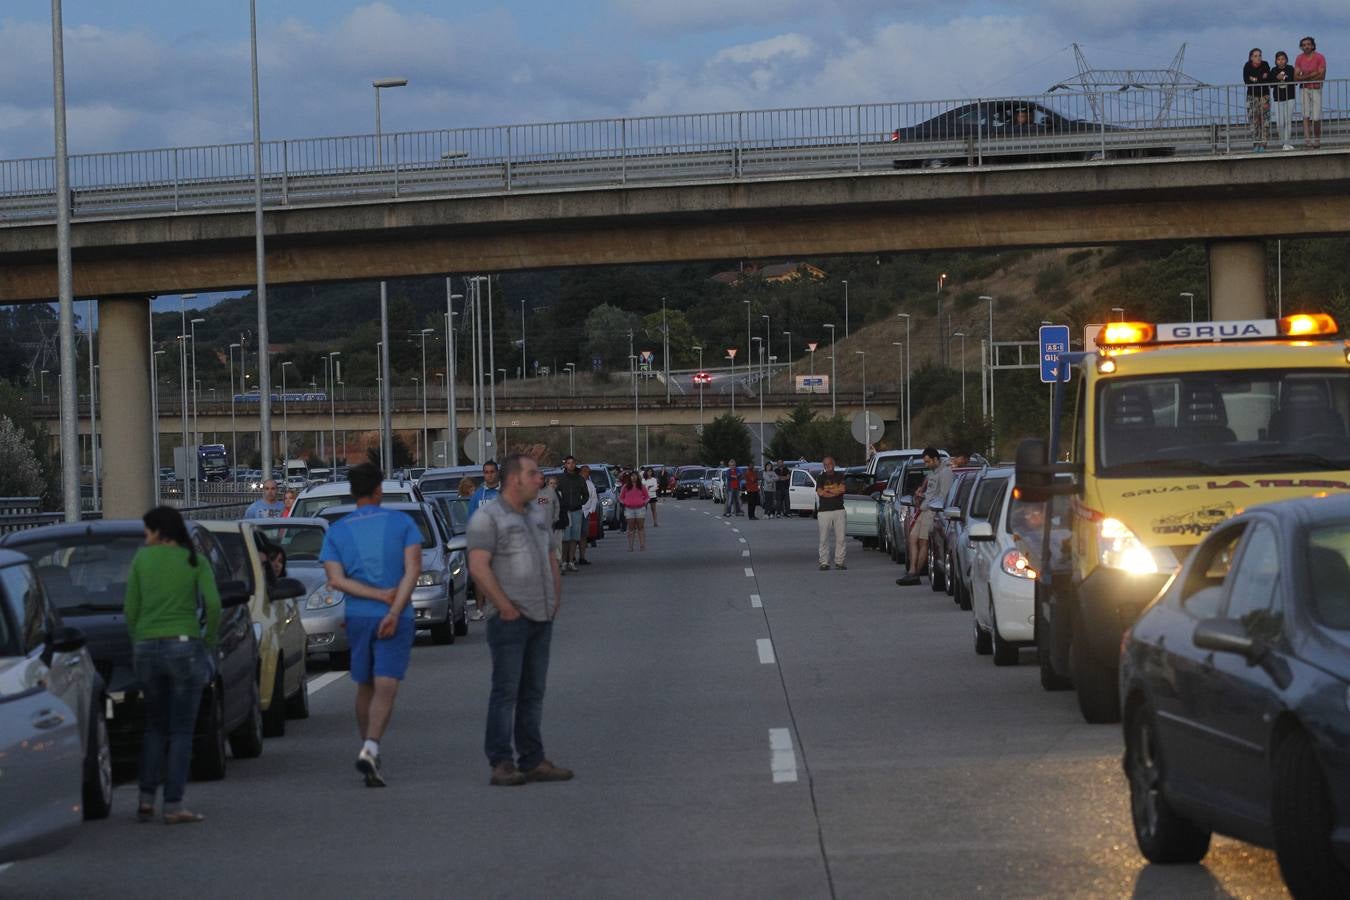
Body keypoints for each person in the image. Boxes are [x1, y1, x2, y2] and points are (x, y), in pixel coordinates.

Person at [467, 454, 573, 787]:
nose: (539, 479)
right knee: (506, 692)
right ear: (515, 479)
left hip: (541, 617)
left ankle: (532, 759)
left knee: (533, 692)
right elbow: (478, 566)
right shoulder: (488, 518)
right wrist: (503, 606)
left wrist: (554, 599)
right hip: (510, 620)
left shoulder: (535, 516)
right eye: (533, 474)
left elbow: (550, 559)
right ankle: (501, 761)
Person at [319, 463, 422, 788]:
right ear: (379, 489)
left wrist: (373, 595)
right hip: (397, 614)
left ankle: (369, 750)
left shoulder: (337, 530)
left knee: (364, 684)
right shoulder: (402, 522)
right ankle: (371, 747)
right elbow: (412, 570)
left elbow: (335, 580)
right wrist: (392, 608)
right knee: (387, 684)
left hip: (358, 616)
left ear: (352, 492)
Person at [125, 506, 220, 824]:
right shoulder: (195, 560)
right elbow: (215, 605)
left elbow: (130, 609)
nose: (145, 536)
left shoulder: (141, 559)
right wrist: (207, 640)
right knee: (181, 729)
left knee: (154, 726)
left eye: (147, 530)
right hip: (184, 645)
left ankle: (145, 799)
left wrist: (138, 639)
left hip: (147, 648)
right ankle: (174, 803)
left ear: (158, 531)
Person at [897, 448, 945, 586]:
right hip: (922, 510)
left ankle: (916, 574)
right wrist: (920, 495)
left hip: (931, 511)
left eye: (928, 461)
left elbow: (943, 495)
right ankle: (911, 571)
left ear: (936, 459)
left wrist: (926, 498)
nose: (926, 464)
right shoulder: (931, 474)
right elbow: (926, 490)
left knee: (923, 542)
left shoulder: (945, 473)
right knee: (912, 538)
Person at [556, 456, 588, 572]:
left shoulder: (580, 479)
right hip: (565, 512)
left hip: (577, 511)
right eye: (568, 463)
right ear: (565, 465)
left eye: (572, 463)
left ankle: (571, 561)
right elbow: (556, 494)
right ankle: (563, 561)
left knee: (575, 537)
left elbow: (586, 495)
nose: (571, 465)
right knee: (565, 539)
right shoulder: (561, 479)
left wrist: (580, 503)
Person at [1295, 36, 1327, 149]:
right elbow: (1296, 77)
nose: (1306, 46)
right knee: (1305, 115)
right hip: (1304, 89)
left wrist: (1304, 76)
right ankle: (1307, 140)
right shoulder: (1299, 58)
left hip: (1316, 88)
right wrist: (1312, 75)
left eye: (1308, 44)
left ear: (1313, 45)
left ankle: (1317, 139)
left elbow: (1321, 75)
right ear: (1301, 47)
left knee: (1316, 116)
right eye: (1304, 45)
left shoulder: (1320, 57)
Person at [815, 457, 846, 569]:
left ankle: (840, 562)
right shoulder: (820, 477)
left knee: (841, 538)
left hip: (839, 510)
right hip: (824, 511)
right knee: (823, 538)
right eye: (825, 464)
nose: (828, 466)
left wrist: (828, 491)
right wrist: (834, 491)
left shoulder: (840, 475)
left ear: (834, 464)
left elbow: (842, 489)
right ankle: (824, 562)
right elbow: (820, 493)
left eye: (830, 464)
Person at [1243, 48, 1271, 152]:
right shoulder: (1247, 66)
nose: (1258, 58)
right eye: (1255, 56)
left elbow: (1267, 77)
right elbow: (1247, 80)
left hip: (1264, 96)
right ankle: (1255, 144)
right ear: (1251, 57)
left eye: (1259, 55)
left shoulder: (1265, 64)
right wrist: (1260, 78)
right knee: (1253, 121)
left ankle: (1263, 144)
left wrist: (1254, 78)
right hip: (1252, 96)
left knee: (1265, 121)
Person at [1271, 51, 1297, 151]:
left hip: (1290, 97)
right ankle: (1283, 142)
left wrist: (1285, 77)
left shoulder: (1290, 68)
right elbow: (1271, 83)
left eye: (1283, 59)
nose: (1281, 61)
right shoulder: (1273, 70)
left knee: (1288, 120)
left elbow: (1294, 81)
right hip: (1278, 99)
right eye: (1279, 59)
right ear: (1276, 61)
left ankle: (1287, 143)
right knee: (1279, 123)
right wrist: (1277, 78)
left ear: (1286, 60)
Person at [620, 471, 649, 551]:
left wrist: (643, 503)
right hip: (629, 509)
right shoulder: (625, 487)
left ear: (638, 477)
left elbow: (647, 497)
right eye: (632, 476)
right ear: (630, 477)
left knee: (641, 527)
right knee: (631, 528)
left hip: (640, 509)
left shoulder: (641, 486)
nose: (634, 477)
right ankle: (630, 546)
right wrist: (625, 503)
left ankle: (642, 546)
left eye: (635, 476)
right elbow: (621, 498)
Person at [578, 465, 598, 564]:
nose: (587, 474)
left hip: (586, 512)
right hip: (576, 511)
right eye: (585, 471)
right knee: (574, 536)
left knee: (584, 534)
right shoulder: (575, 483)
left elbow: (594, 498)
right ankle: (571, 557)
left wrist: (591, 510)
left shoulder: (590, 484)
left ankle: (582, 557)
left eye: (588, 472)